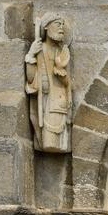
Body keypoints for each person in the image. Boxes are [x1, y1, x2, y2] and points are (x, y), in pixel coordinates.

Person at [26, 14, 72, 153]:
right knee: (47, 142)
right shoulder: (40, 49)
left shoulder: (63, 51)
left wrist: (60, 71)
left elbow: (68, 82)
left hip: (59, 103)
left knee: (57, 143)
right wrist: (31, 55)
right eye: (57, 24)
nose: (61, 28)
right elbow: (31, 79)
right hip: (44, 102)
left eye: (62, 25)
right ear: (46, 27)